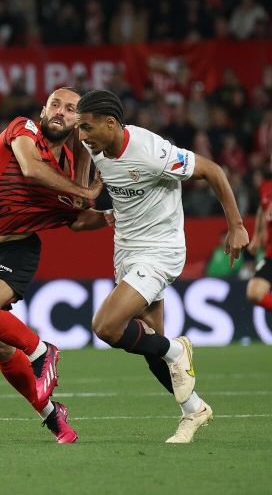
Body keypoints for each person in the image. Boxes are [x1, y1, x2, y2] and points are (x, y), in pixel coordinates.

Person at [74, 89, 248, 443]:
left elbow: (213, 171)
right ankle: (194, 410)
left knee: (106, 326)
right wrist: (91, 203)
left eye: (87, 128)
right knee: (150, 347)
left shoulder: (152, 152)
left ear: (111, 123)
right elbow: (93, 184)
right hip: (126, 249)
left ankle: (177, 350)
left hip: (160, 250)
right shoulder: (94, 146)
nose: (82, 136)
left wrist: (236, 225)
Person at [0, 87, 103, 444]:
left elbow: (77, 220)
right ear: (43, 110)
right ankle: (52, 416)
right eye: (55, 104)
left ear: (77, 122)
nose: (60, 111)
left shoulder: (70, 169)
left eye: (70, 109)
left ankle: (43, 351)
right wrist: (84, 192)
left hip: (17, 248)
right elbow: (29, 168)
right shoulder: (23, 129)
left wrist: (119, 215)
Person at [246, 176, 272, 310]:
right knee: (254, 292)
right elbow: (262, 209)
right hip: (270, 254)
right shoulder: (266, 187)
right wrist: (257, 236)